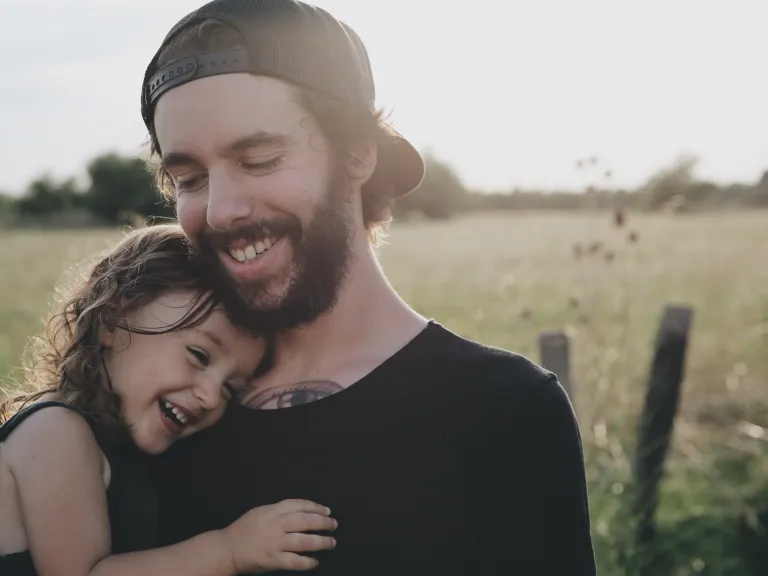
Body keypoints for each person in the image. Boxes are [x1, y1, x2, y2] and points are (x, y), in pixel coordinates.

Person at [142, 1, 597, 574]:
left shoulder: (503, 411)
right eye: (189, 179)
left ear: (359, 153)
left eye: (258, 160)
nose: (221, 210)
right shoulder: (165, 409)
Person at [0, 224, 338, 576]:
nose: (209, 396)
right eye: (199, 355)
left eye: (229, 389)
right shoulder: (55, 432)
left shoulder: (120, 450)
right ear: (112, 320)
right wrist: (229, 551)